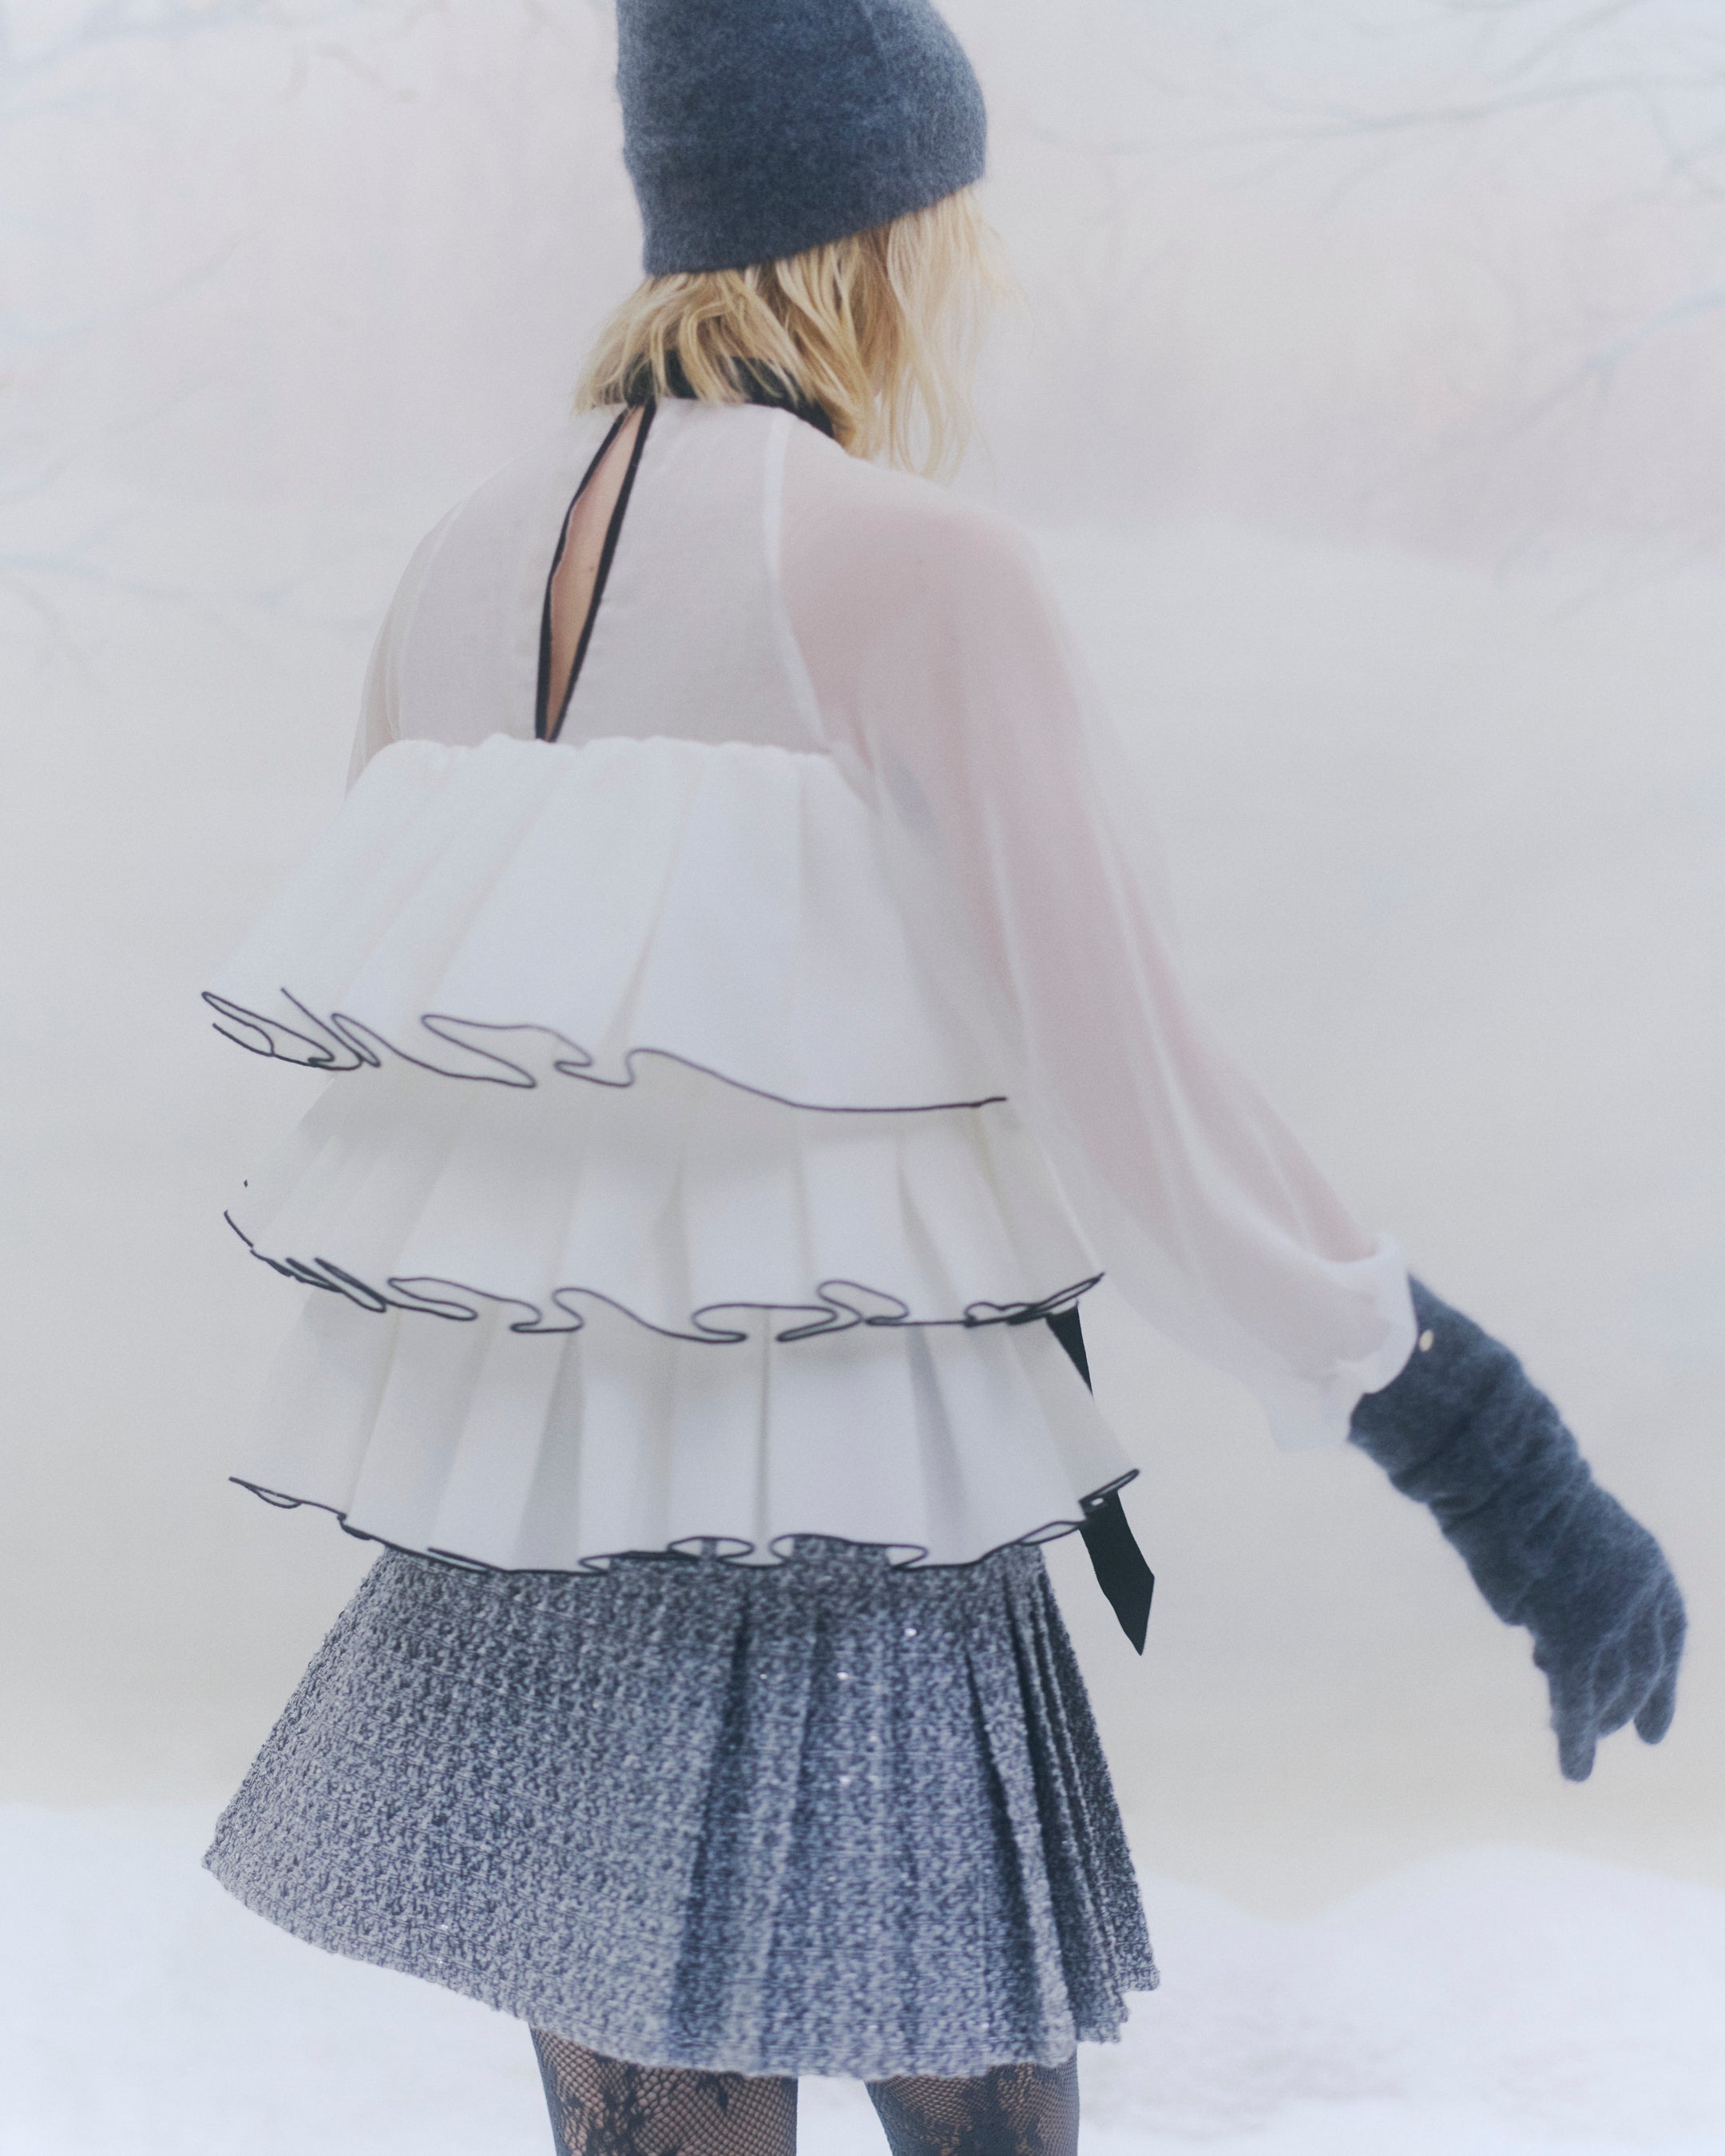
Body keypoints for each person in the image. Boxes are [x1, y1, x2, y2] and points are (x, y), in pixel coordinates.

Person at [200, 4, 1687, 2151]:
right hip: (859, 1557)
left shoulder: (451, 568)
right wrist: (1495, 1461)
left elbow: (433, 1089)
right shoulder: (911, 571)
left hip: (529, 1560)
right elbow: (1141, 1100)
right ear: (881, 230)